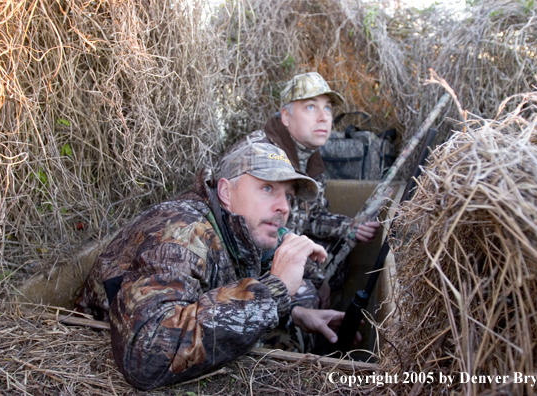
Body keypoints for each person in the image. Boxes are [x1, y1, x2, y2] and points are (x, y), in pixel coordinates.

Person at [77, 142, 357, 390]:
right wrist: (275, 291)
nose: (283, 206)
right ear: (225, 191)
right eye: (268, 188)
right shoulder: (181, 234)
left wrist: (293, 313)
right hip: (91, 344)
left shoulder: (236, 229)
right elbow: (145, 356)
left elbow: (214, 291)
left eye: (288, 195)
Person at [224, 72, 381, 308]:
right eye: (310, 107)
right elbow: (256, 231)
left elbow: (311, 215)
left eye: (327, 108)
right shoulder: (261, 154)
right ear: (286, 116)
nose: (323, 117)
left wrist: (350, 227)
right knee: (307, 295)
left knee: (337, 265)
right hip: (246, 258)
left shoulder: (309, 157)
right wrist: (317, 279)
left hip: (280, 242)